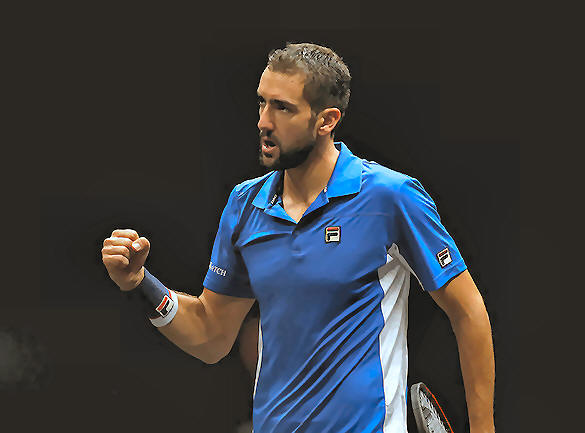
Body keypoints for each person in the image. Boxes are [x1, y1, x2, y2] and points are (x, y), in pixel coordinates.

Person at [101, 42, 495, 433]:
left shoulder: (390, 198)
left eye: (282, 108)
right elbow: (210, 335)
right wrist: (140, 283)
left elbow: (468, 311)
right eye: (262, 103)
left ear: (326, 121)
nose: (263, 121)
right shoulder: (244, 205)